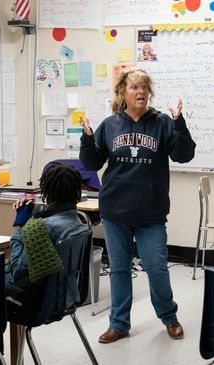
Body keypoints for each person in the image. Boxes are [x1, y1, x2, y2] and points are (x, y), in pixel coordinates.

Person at [79, 69, 196, 343]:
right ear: (123, 93)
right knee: (119, 269)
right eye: (134, 87)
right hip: (115, 210)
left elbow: (184, 155)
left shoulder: (163, 123)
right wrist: (86, 138)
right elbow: (91, 163)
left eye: (144, 87)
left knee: (156, 267)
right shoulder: (109, 125)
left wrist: (179, 123)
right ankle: (119, 324)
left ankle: (169, 317)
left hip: (150, 211)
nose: (141, 92)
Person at [5, 162, 89, 318]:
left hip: (40, 304)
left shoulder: (41, 228)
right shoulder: (80, 224)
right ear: (77, 192)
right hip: (69, 296)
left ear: (46, 193)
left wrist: (18, 225)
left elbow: (18, 272)